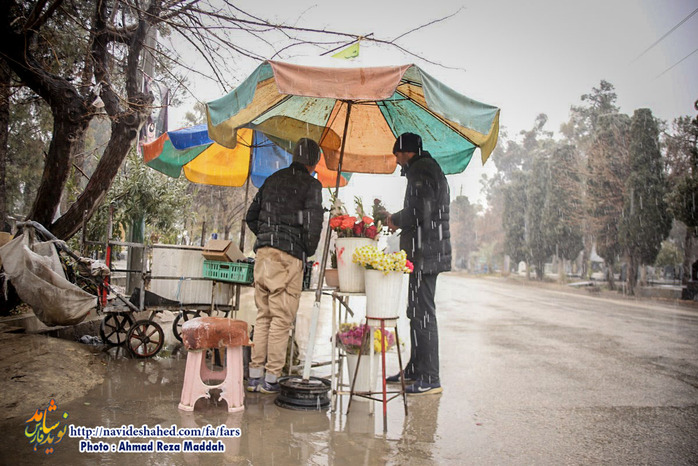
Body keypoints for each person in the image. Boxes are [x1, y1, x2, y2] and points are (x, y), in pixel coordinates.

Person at [244, 138, 324, 393]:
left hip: (263, 255)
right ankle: (271, 379)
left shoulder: (273, 179)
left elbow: (251, 216)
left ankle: (254, 376)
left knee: (264, 316)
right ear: (314, 162)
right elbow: (313, 224)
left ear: (294, 157)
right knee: (281, 319)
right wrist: (304, 249)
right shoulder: (311, 185)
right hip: (288, 256)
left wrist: (267, 236)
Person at [385, 132, 451, 395]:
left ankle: (430, 377)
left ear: (406, 152)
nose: (397, 162)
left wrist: (395, 219)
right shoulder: (424, 168)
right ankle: (415, 369)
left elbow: (418, 210)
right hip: (424, 252)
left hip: (427, 253)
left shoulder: (421, 170)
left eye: (397, 156)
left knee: (423, 314)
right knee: (415, 312)